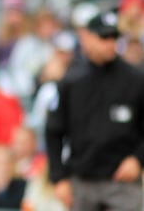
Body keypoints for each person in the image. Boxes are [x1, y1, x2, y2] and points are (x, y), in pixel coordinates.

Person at [45, 11, 144, 211]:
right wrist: (59, 177)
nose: (109, 44)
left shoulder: (136, 79)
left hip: (122, 181)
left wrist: (138, 158)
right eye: (103, 37)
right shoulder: (71, 81)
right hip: (83, 180)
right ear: (87, 38)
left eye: (114, 37)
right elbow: (53, 131)